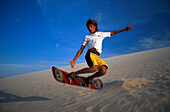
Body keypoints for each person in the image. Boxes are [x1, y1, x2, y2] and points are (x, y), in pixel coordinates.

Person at [68, 18, 133, 88]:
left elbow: (112, 33)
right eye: (88, 27)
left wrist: (124, 30)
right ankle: (73, 74)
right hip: (90, 54)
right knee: (94, 68)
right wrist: (74, 60)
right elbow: (81, 49)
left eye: (91, 26)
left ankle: (89, 78)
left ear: (95, 26)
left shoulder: (100, 34)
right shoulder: (87, 37)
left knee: (103, 71)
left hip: (97, 56)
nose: (89, 28)